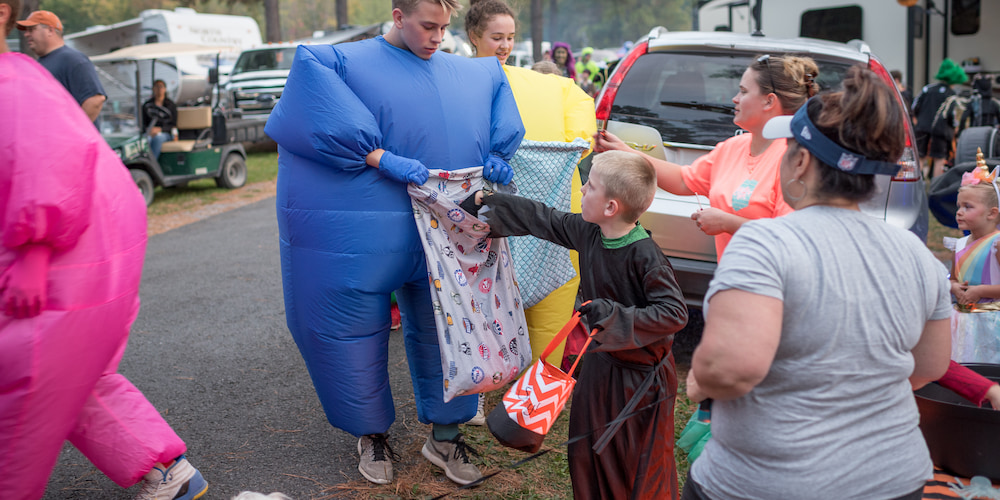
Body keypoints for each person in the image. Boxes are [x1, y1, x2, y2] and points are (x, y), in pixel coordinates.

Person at [262, 0, 524, 487]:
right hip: (360, 233)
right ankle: (371, 433)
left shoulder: (471, 74)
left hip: (446, 236)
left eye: (445, 28)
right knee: (348, 331)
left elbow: (494, 96)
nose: (437, 38)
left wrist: (497, 154)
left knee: (454, 327)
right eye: (428, 26)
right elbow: (309, 103)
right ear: (398, 15)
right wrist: (377, 155)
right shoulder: (341, 62)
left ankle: (446, 435)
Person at [682, 66, 952, 500]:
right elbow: (930, 367)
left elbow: (728, 370)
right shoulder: (917, 254)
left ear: (802, 162)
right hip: (893, 481)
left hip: (768, 485)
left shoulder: (765, 244)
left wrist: (698, 380)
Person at [0, 1, 207, 499]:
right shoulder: (25, 73)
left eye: (36, 30)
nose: (31, 37)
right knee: (71, 371)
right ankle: (165, 471)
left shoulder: (25, 76)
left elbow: (49, 147)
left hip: (57, 239)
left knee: (31, 374)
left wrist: (34, 247)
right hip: (67, 233)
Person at [460, 150, 688, 499]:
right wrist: (488, 204)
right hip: (599, 368)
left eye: (590, 186)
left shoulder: (647, 257)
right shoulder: (590, 231)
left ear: (611, 207)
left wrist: (612, 315)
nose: (582, 191)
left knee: (632, 463)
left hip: (639, 382)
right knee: (587, 455)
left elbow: (673, 313)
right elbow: (545, 219)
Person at [464, 0, 596, 422]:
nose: (504, 46)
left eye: (509, 38)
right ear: (474, 36)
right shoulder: (458, 81)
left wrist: (577, 142)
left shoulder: (550, 86)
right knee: (479, 311)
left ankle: (534, 403)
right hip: (482, 216)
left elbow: (580, 107)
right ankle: (475, 399)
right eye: (496, 37)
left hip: (547, 222)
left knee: (549, 313)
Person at [596, 54, 820, 258]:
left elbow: (790, 237)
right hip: (733, 277)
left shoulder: (795, 160)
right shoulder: (734, 147)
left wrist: (727, 222)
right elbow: (684, 180)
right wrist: (625, 152)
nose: (734, 99)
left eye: (743, 91)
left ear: (769, 101)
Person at [947, 156, 1000, 363]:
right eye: (959, 206)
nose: (959, 212)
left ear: (992, 213)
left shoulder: (996, 244)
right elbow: (952, 278)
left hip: (992, 324)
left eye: (967, 207)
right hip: (962, 323)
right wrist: (954, 288)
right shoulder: (958, 245)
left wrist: (980, 291)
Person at [17, 10, 106, 127]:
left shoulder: (72, 59)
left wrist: (71, 135)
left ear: (50, 30)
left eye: (32, 29)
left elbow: (95, 100)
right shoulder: (39, 64)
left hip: (72, 144)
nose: (26, 34)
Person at [913, 58, 968, 179]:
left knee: (920, 157)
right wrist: (955, 128)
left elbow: (914, 107)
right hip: (941, 131)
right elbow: (954, 117)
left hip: (922, 128)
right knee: (939, 159)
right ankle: (934, 188)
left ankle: (917, 184)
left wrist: (919, 121)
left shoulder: (927, 89)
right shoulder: (952, 94)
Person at [141, 79, 178, 159]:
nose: (159, 89)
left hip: (166, 133)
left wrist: (160, 129)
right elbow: (143, 123)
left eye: (161, 86)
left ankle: (152, 163)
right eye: (157, 86)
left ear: (165, 89)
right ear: (153, 89)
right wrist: (149, 130)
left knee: (158, 138)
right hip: (150, 132)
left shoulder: (171, 105)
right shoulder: (147, 105)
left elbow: (173, 125)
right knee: (146, 139)